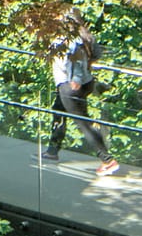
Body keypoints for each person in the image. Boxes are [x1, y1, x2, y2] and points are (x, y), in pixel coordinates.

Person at [42, 16, 120, 174]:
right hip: (85, 82)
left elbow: (76, 59)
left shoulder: (66, 40)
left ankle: (107, 160)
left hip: (70, 86)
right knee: (58, 110)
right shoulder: (84, 35)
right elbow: (96, 53)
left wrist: (76, 78)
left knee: (83, 123)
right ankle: (52, 151)